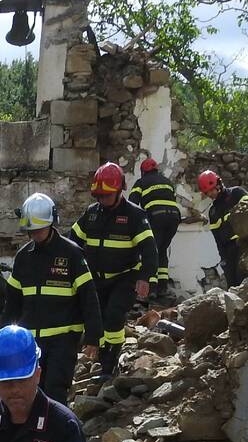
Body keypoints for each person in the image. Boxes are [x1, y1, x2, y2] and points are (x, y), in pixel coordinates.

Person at [3, 192, 102, 404]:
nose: (35, 234)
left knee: (55, 391)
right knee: (32, 394)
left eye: (39, 229)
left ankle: (57, 434)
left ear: (51, 223)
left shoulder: (72, 254)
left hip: (63, 340)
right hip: (31, 341)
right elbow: (12, 301)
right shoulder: (23, 257)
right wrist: (4, 335)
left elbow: (89, 297)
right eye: (31, 231)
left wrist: (93, 337)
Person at [70, 162, 157, 381]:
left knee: (114, 316)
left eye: (106, 195)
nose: (102, 200)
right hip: (96, 278)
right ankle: (98, 358)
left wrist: (145, 277)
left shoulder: (135, 215)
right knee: (95, 318)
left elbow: (149, 248)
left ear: (119, 191)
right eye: (98, 196)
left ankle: (109, 367)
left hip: (124, 277)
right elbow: (72, 242)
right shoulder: (91, 214)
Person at [130, 158, 182, 298]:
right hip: (174, 218)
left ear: (143, 171)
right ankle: (163, 287)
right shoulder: (167, 182)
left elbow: (131, 204)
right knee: (162, 250)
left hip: (156, 217)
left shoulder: (141, 183)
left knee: (152, 250)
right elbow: (173, 201)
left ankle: (151, 289)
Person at [198, 169, 248, 287]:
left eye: (212, 190)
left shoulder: (237, 194)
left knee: (244, 280)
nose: (211, 194)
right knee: (232, 284)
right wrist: (223, 258)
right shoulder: (213, 211)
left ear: (219, 184)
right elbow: (217, 238)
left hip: (245, 243)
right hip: (229, 250)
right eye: (207, 192)